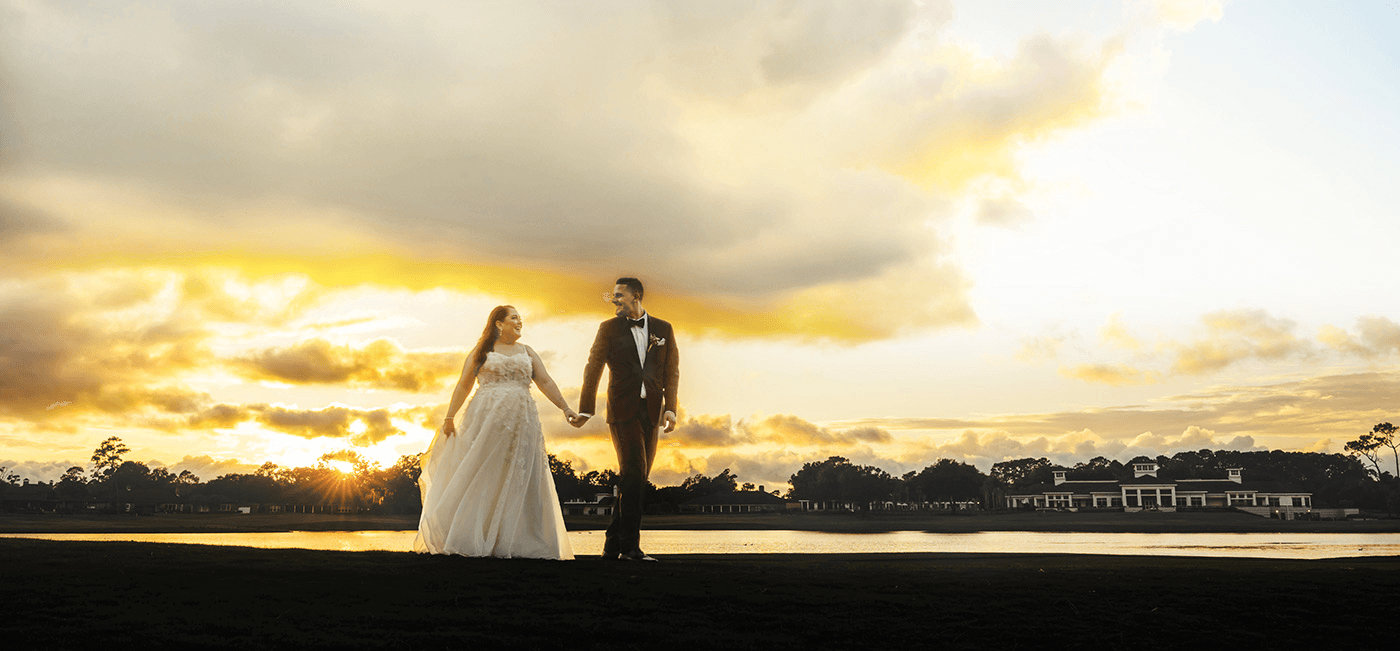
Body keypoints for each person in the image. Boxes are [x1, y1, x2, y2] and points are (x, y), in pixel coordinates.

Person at [414, 305, 577, 560]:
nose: (519, 321)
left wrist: (565, 408)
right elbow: (464, 384)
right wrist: (449, 416)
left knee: (522, 473)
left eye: (520, 318)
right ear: (499, 323)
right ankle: (471, 536)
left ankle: (520, 541)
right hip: (486, 417)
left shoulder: (528, 352)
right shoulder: (482, 351)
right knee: (483, 470)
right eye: (514, 317)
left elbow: (545, 381)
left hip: (523, 420)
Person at [571, 277, 679, 562]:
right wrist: (585, 408)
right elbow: (592, 367)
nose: (614, 300)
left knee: (638, 479)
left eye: (619, 295)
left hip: (652, 412)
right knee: (633, 472)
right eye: (613, 296)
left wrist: (671, 408)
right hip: (622, 410)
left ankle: (611, 545)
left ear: (637, 296)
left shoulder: (663, 329)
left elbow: (671, 372)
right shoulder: (608, 329)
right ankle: (630, 548)